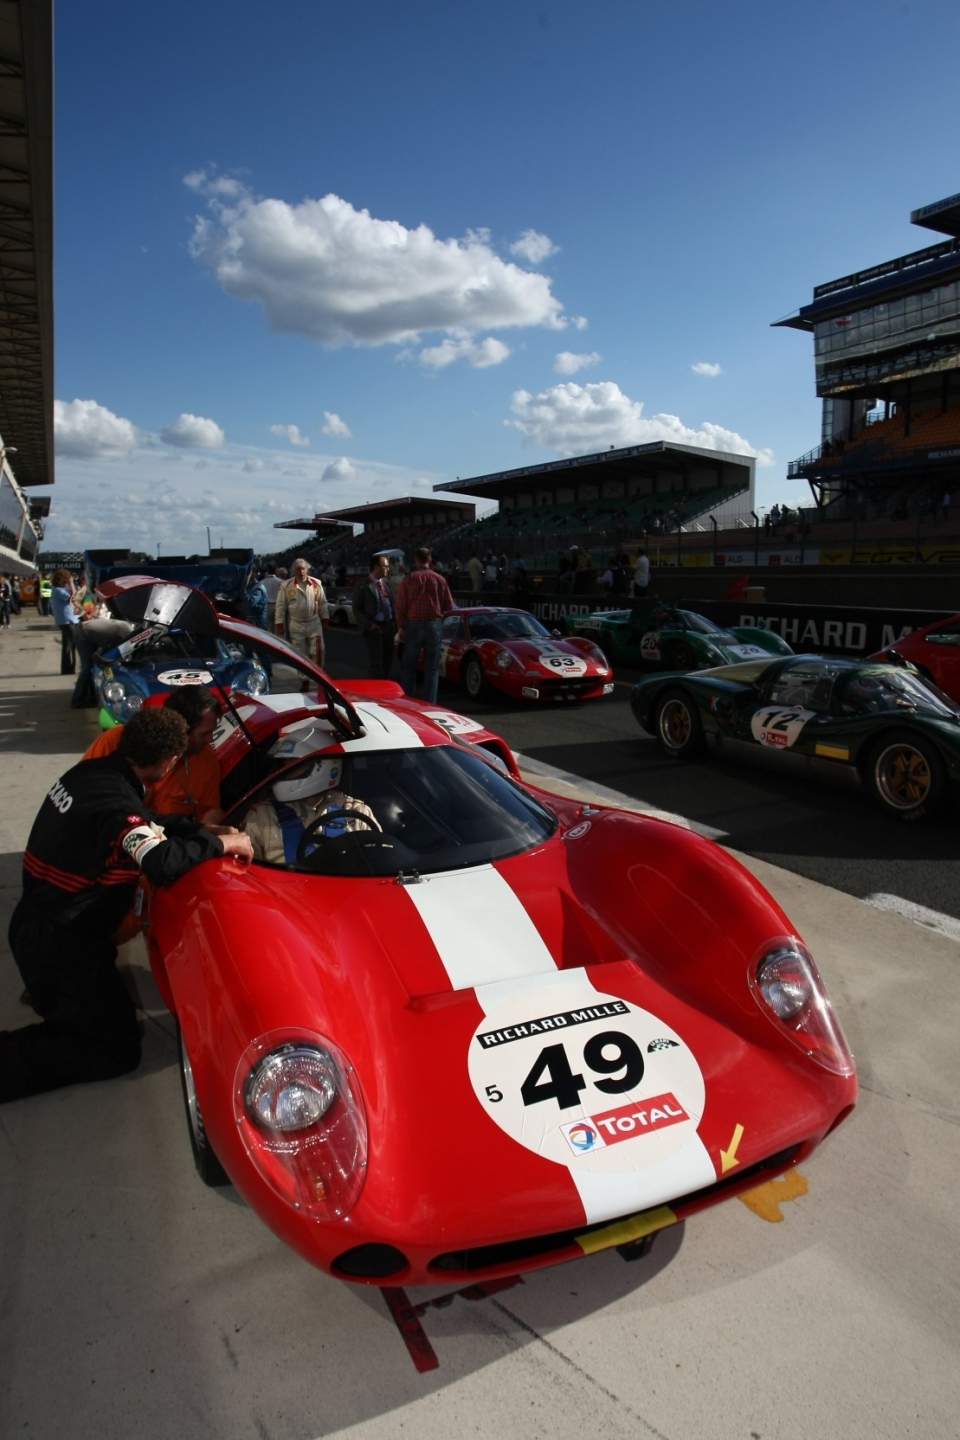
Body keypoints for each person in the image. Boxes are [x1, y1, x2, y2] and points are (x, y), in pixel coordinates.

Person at [0, 708, 253, 1103]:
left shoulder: (93, 775)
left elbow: (149, 821)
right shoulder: (119, 806)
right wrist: (222, 844)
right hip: (62, 946)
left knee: (91, 1024)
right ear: (169, 761)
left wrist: (199, 829)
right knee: (115, 1051)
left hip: (40, 929)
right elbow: (160, 861)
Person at [83, 685, 224, 824]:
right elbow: (85, 793)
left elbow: (208, 811)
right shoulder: (114, 739)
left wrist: (210, 826)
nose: (210, 739)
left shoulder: (206, 759)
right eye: (204, 734)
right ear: (182, 729)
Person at [244, 744, 379, 865]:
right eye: (284, 764)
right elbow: (245, 875)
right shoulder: (262, 816)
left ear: (321, 766)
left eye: (295, 763)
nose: (286, 770)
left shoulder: (356, 813)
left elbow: (381, 863)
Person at [395, 546, 455, 703]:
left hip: (413, 624)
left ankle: (407, 700)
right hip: (433, 624)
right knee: (432, 668)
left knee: (409, 666)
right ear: (430, 560)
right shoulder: (440, 580)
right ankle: (429, 704)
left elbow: (400, 605)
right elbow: (449, 606)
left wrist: (401, 626)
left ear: (415, 560)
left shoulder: (408, 579)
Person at [275, 557, 329, 668]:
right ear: (294, 571)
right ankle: (304, 681)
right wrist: (279, 623)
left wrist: (325, 618)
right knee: (300, 655)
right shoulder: (286, 586)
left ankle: (319, 681)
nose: (301, 572)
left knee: (318, 652)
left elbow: (322, 603)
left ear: (307, 569)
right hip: (296, 624)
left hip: (314, 623)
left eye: (303, 569)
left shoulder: (316, 584)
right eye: (298, 569)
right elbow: (280, 606)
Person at [352, 553, 396, 678]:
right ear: (376, 567)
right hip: (375, 627)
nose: (388, 569)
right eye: (385, 566)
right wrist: (368, 625)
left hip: (388, 626)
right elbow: (357, 608)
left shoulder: (385, 583)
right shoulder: (363, 585)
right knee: (376, 662)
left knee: (387, 661)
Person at [50, 567, 79, 674]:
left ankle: (67, 668)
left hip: (69, 620)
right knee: (77, 642)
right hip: (67, 620)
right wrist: (71, 584)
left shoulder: (60, 589)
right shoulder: (58, 590)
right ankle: (74, 666)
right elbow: (74, 597)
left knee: (68, 644)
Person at [261, 563, 281, 630]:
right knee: (278, 627)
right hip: (278, 605)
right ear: (276, 570)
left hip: (267, 606)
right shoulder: (281, 582)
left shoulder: (262, 582)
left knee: (268, 628)